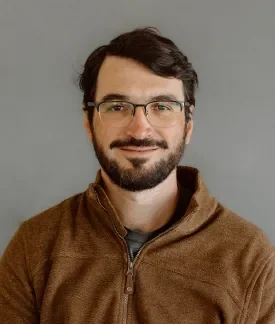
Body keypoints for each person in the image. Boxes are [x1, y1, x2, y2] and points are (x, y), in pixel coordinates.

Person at [0, 27, 274, 324]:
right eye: (117, 107)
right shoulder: (35, 245)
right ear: (89, 123)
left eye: (162, 106)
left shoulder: (249, 258)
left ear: (188, 124)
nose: (140, 129)